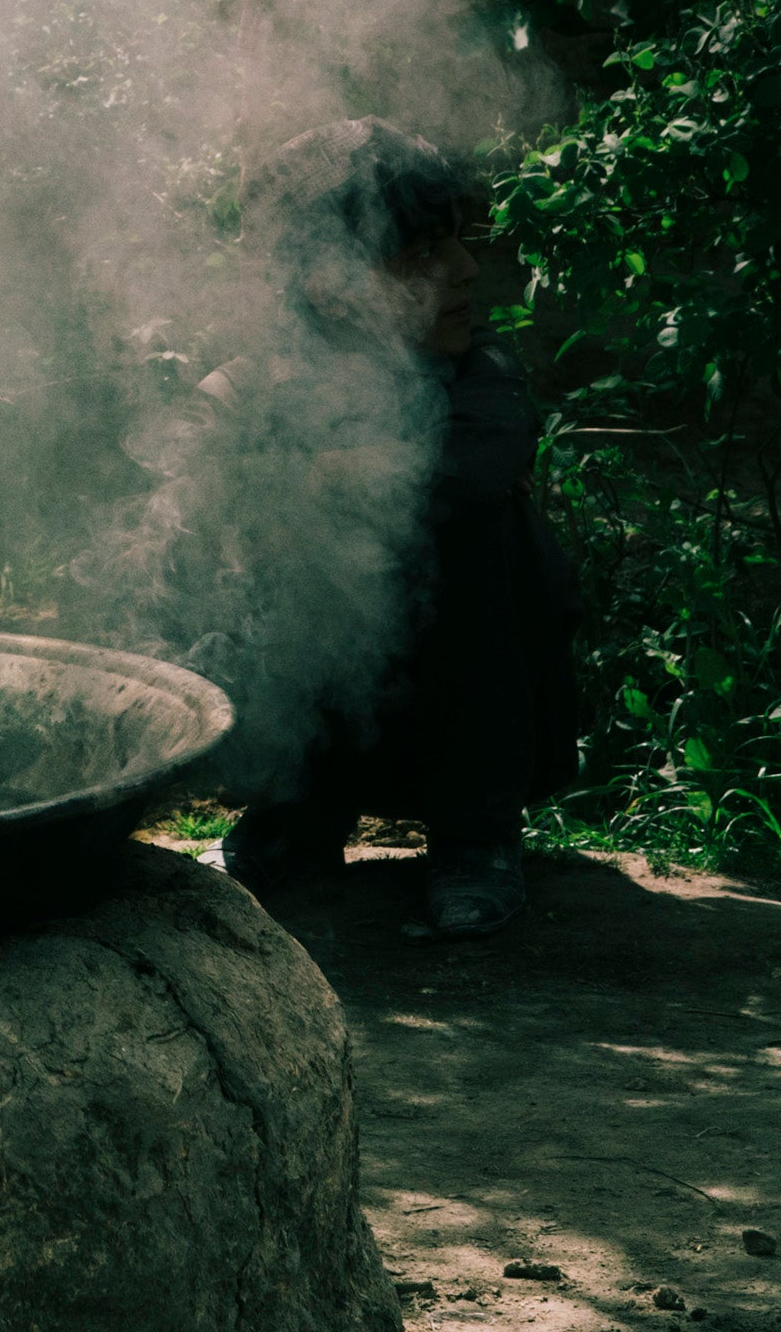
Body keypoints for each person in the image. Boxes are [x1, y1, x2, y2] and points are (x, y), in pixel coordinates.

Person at [213, 121, 572, 938]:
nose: (468, 269)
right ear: (330, 284)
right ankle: (294, 817)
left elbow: (457, 477)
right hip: (340, 721)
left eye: (460, 242)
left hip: (470, 711)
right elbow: (211, 468)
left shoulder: (479, 378)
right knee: (250, 557)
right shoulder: (268, 383)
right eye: (424, 252)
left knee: (468, 532)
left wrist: (309, 479)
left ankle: (476, 834)